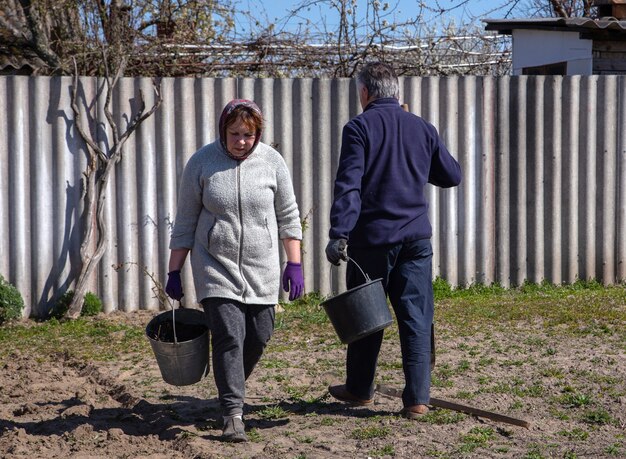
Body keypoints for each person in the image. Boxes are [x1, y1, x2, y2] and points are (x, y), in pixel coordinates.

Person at [325, 62, 461, 419]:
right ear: (397, 92)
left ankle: (359, 388)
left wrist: (339, 232)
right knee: (415, 317)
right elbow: (452, 175)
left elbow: (349, 185)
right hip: (416, 239)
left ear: (365, 93)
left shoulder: (358, 128)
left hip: (372, 241)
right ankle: (417, 399)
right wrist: (415, 161)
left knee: (366, 314)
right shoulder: (422, 128)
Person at [165, 99, 304, 442]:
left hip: (263, 267)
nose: (242, 141)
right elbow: (185, 221)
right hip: (215, 266)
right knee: (229, 335)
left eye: (249, 134)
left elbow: (288, 216)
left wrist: (295, 263)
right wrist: (174, 271)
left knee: (259, 335)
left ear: (258, 134)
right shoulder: (202, 163)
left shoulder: (272, 162)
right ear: (222, 130)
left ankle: (231, 387)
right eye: (235, 133)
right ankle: (233, 414)